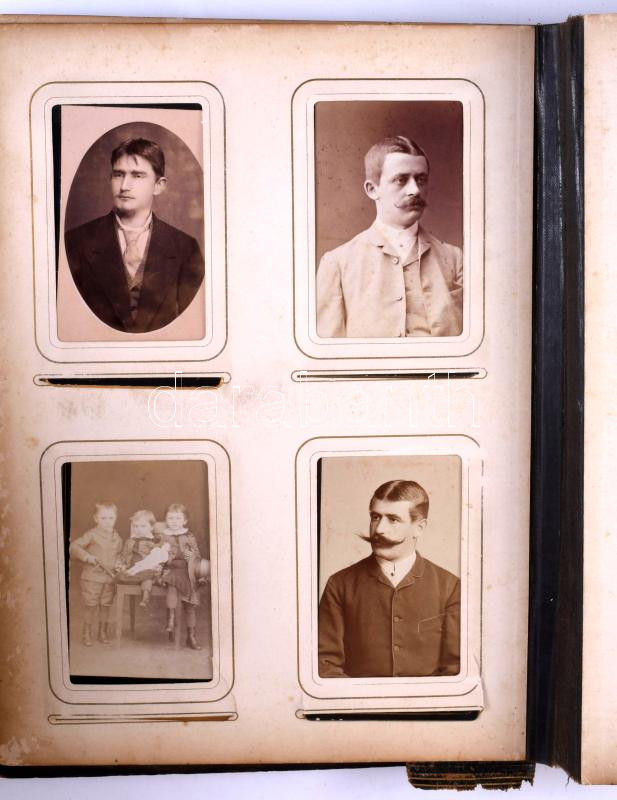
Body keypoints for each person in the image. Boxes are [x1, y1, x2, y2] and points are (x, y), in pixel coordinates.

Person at [316, 135, 463, 338]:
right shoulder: (338, 264)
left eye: (421, 180)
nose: (415, 190)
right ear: (372, 189)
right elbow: (330, 352)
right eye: (401, 180)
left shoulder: (455, 259)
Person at [318, 479, 460, 678]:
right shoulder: (339, 585)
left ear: (419, 527)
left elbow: (456, 669)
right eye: (375, 517)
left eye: (393, 519)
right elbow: (324, 664)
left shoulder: (450, 587)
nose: (379, 529)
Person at [64, 137, 204, 333]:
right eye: (118, 174)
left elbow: (192, 326)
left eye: (138, 176)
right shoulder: (75, 242)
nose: (124, 186)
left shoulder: (186, 248)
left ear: (159, 185)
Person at [69, 501, 123, 647]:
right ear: (96, 519)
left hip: (109, 579)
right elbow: (73, 547)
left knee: (105, 605)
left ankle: (102, 632)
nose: (107, 521)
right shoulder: (91, 535)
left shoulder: (117, 538)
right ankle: (86, 633)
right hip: (92, 577)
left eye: (111, 518)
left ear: (116, 518)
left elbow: (119, 555)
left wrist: (119, 563)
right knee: (90, 605)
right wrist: (87, 557)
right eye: (103, 518)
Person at [157, 503, 205, 650]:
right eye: (170, 518)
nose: (174, 521)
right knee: (171, 583)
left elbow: (196, 556)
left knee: (190, 604)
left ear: (185, 520)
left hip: (186, 570)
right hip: (170, 569)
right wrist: (163, 555)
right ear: (166, 520)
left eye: (178, 518)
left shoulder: (189, 536)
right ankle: (171, 620)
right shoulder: (163, 536)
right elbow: (157, 556)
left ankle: (191, 637)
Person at [116, 509, 159, 607]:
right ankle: (131, 578)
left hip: (146, 568)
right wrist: (121, 565)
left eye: (143, 526)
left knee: (148, 577)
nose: (139, 529)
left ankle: (145, 596)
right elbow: (124, 555)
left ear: (151, 527)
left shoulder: (154, 542)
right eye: (136, 526)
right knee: (120, 575)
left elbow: (157, 557)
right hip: (132, 568)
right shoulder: (130, 541)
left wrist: (155, 566)